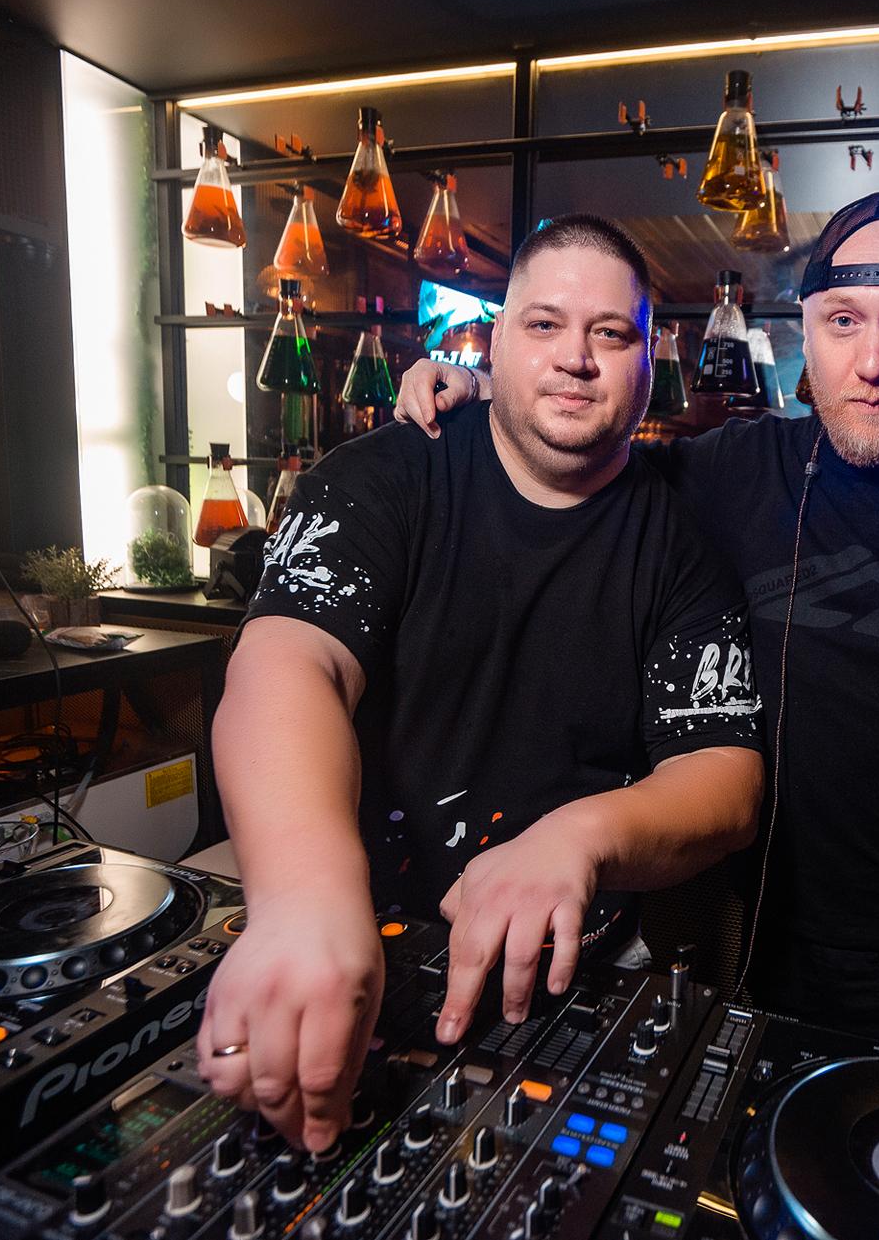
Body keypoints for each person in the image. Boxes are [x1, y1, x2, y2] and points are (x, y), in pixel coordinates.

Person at [396, 189, 879, 1065]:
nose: (874, 362)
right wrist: (487, 389)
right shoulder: (733, 469)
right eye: (844, 321)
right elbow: (589, 445)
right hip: (770, 928)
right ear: (805, 333)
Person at [201, 214, 765, 1155]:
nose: (575, 357)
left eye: (610, 333)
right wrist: (304, 895)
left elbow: (727, 779)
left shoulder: (680, 547)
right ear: (494, 343)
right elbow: (289, 662)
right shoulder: (379, 478)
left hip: (570, 975)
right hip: (356, 942)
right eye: (544, 324)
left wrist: (578, 837)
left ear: (646, 364)